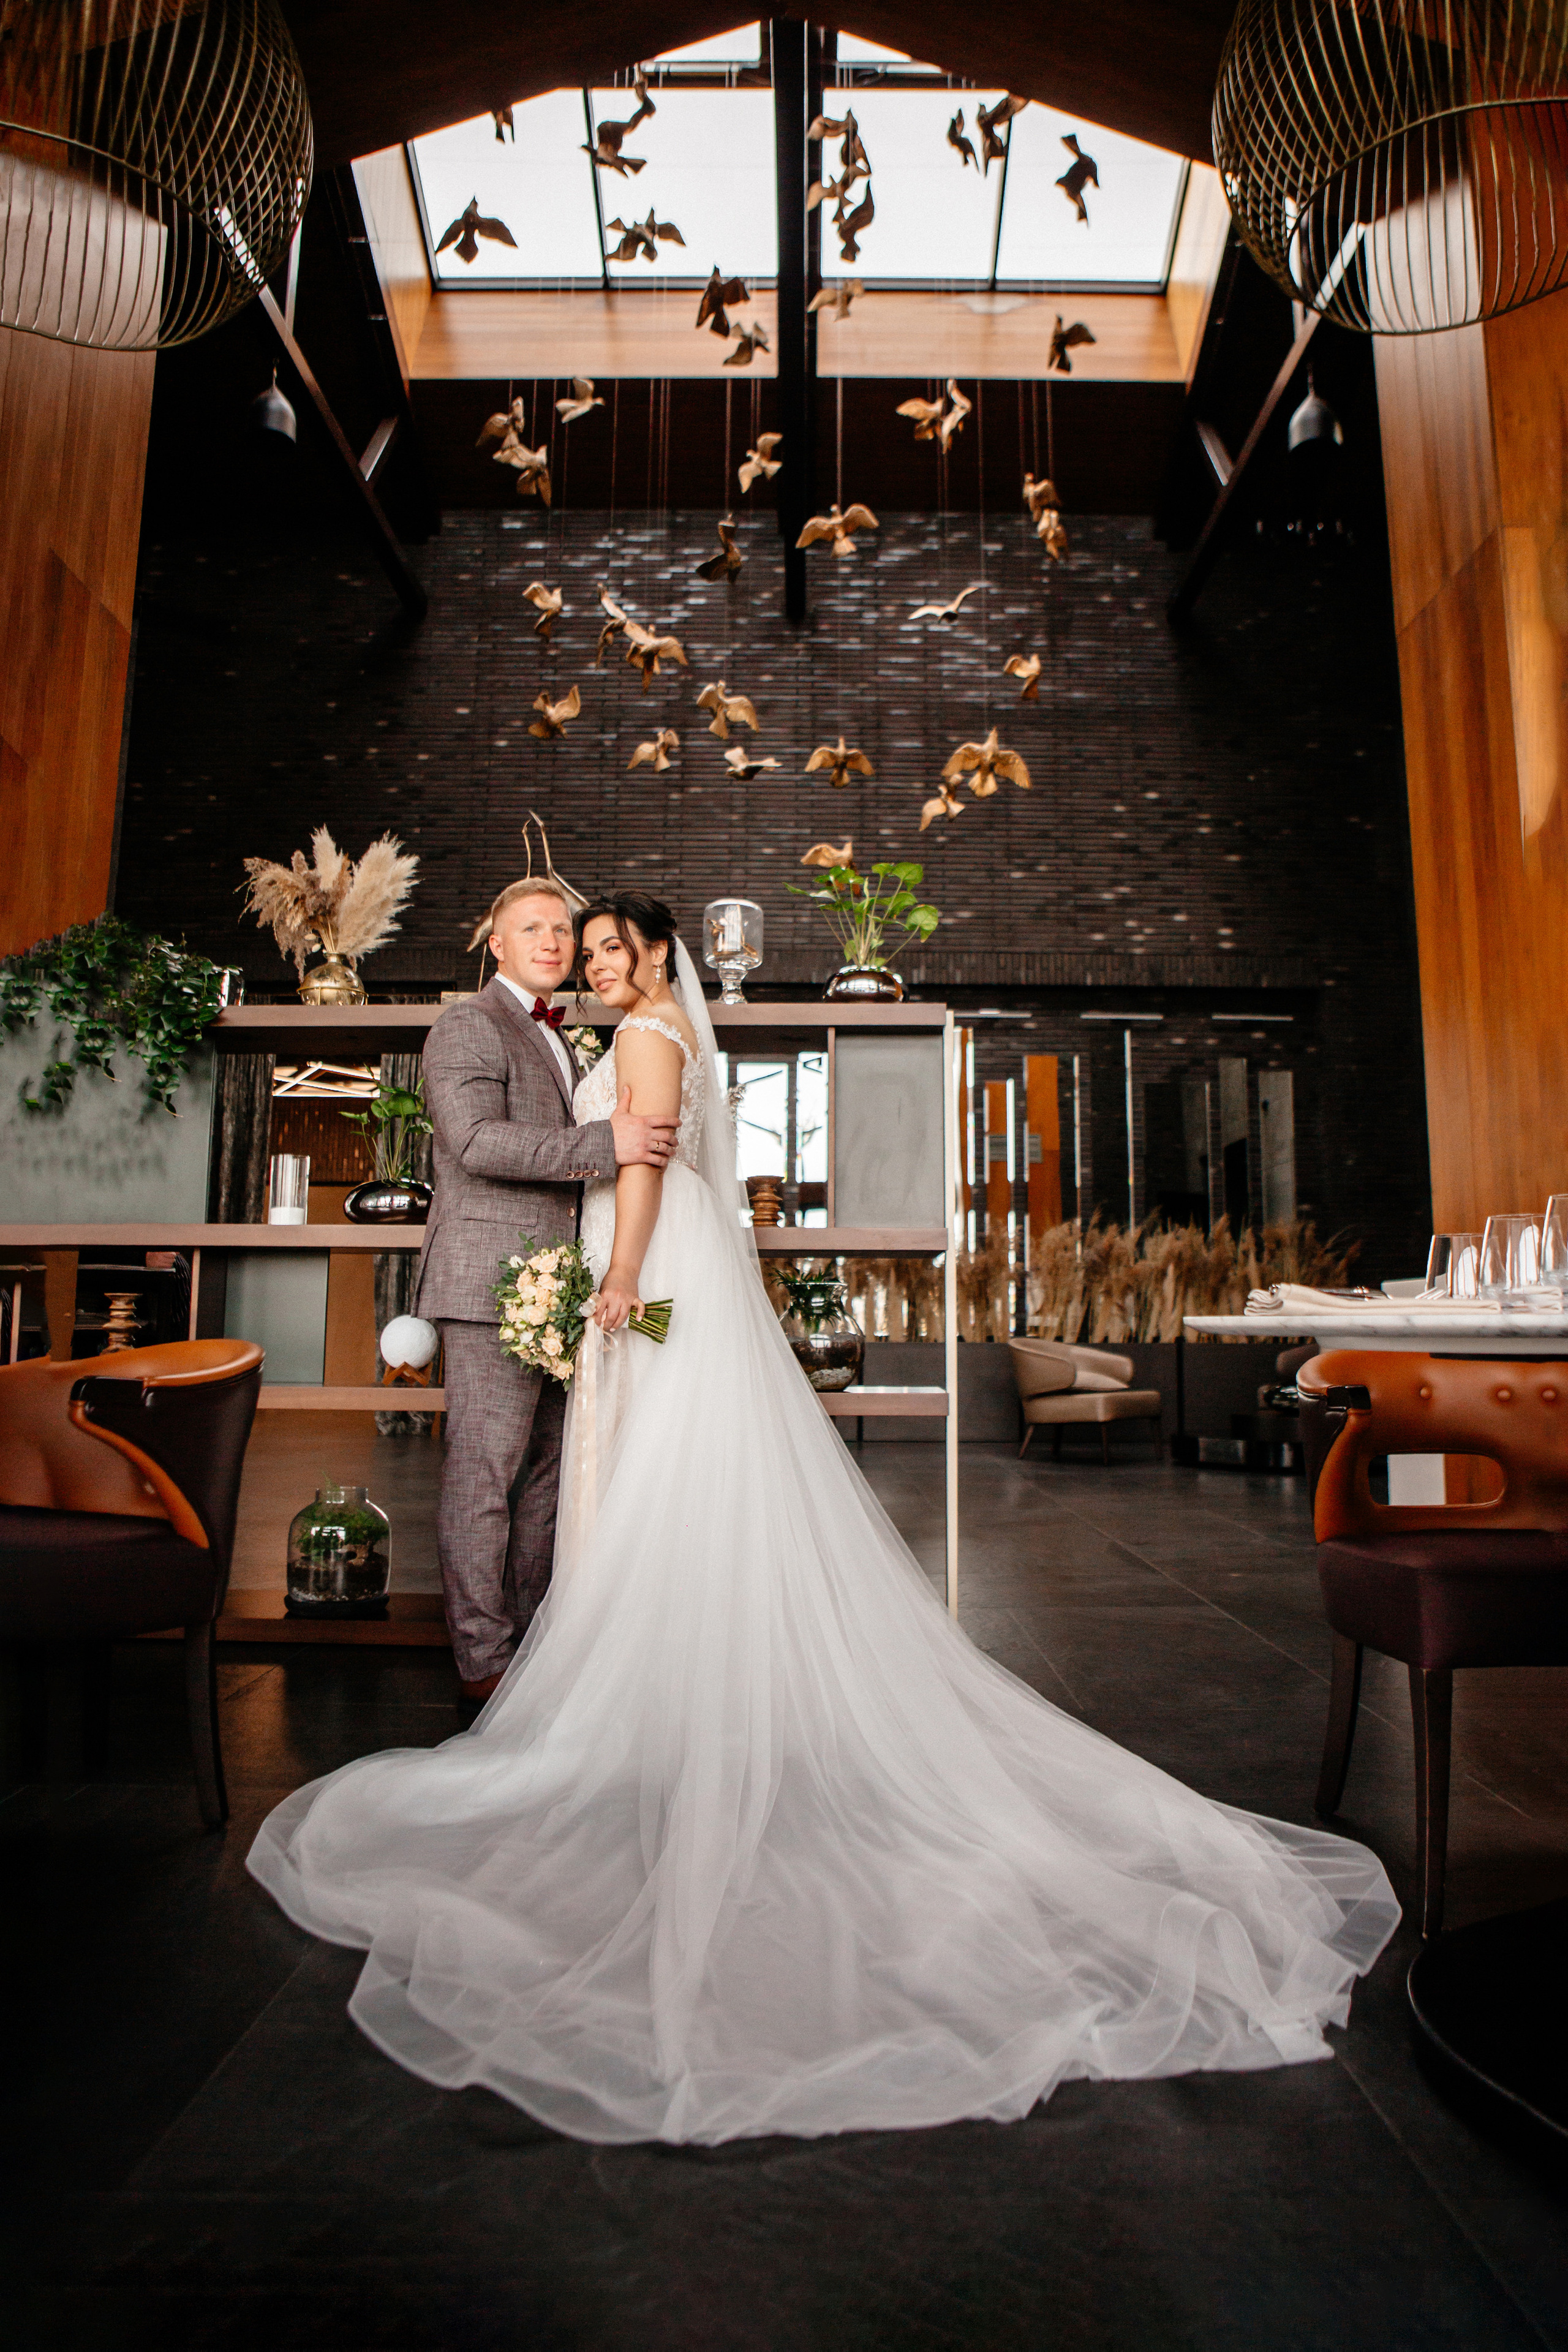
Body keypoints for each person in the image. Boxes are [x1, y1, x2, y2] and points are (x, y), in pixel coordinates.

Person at [251, 895, 1400, 2147]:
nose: (581, 957)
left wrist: (621, 1275)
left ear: (651, 958)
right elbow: (506, 1143)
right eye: (566, 942)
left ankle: (605, 1681)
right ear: (497, 940)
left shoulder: (638, 1036)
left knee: (625, 1472)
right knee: (558, 1475)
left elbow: (641, 1168)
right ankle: (547, 1666)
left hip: (637, 1265)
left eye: (600, 945)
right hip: (583, 1265)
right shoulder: (518, 1029)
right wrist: (611, 1217)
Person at [412, 878, 678, 1701]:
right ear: (497, 944)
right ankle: (482, 1661)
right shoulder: (468, 1023)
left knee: (547, 1480)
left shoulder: (566, 1036)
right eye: (533, 929)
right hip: (489, 1285)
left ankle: (533, 1651)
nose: (556, 942)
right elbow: (475, 1142)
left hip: (561, 1288)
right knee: (484, 1477)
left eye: (565, 929)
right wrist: (605, 1142)